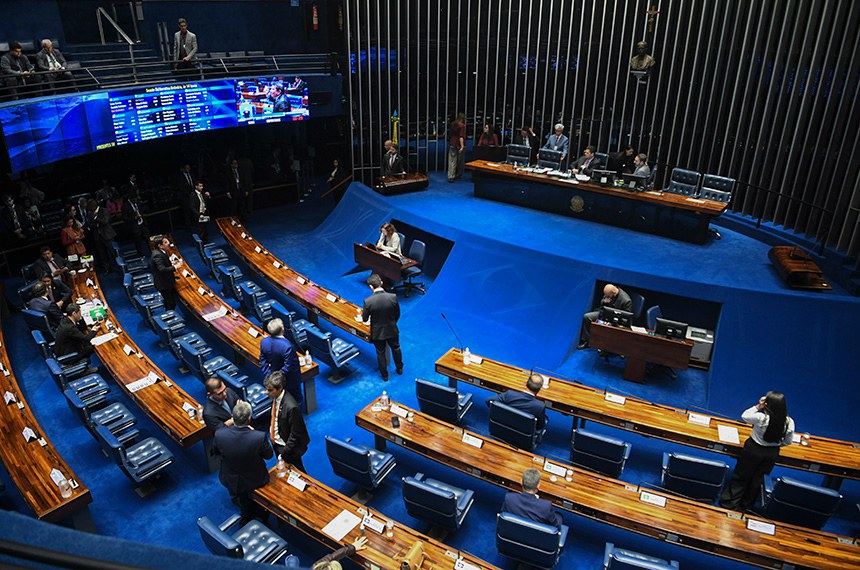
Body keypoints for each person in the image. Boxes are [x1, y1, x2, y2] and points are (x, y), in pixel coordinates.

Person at [720, 392, 795, 512]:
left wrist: (758, 406)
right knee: (758, 480)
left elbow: (745, 415)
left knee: (741, 475)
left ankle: (731, 502)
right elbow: (787, 442)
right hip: (771, 453)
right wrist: (775, 445)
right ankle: (747, 506)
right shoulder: (789, 422)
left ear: (767, 405)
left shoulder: (761, 417)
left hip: (753, 449)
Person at [213, 401, 273, 525]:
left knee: (244, 502)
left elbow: (216, 452)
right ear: (249, 419)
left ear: (232, 418)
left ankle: (246, 514)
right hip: (255, 479)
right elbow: (268, 455)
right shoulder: (258, 437)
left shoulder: (219, 434)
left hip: (231, 478)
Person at [263, 371, 310, 472]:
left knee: (298, 472)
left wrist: (284, 452)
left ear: (280, 388)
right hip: (277, 441)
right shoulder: (276, 397)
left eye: (270, 390)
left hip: (286, 447)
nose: (267, 392)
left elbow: (296, 434)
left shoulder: (291, 407)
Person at [362, 273, 403, 382]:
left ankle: (385, 376)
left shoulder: (368, 301)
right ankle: (399, 368)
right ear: (381, 283)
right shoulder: (393, 297)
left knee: (380, 353)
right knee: (396, 348)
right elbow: (397, 314)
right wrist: (392, 322)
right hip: (392, 329)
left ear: (371, 287)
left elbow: (365, 319)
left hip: (377, 333)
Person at [259, 318, 303, 406]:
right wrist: (277, 378)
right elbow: (288, 366)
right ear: (282, 329)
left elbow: (262, 361)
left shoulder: (264, 342)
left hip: (273, 373)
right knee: (296, 399)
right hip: (290, 378)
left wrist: (269, 375)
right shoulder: (287, 346)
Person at [578, 283, 633, 349]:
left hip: (616, 319)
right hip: (604, 313)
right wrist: (604, 302)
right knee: (587, 317)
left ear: (614, 293)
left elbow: (626, 317)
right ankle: (586, 341)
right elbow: (602, 304)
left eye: (608, 296)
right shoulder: (609, 292)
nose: (606, 296)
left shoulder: (626, 300)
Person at [87, 199, 117, 274]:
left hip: (107, 235)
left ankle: (118, 267)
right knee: (103, 255)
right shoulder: (90, 213)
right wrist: (97, 224)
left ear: (94, 206)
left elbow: (105, 221)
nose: (89, 209)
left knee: (113, 252)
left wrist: (96, 219)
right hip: (98, 237)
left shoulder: (104, 210)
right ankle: (107, 269)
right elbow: (90, 224)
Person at [151, 236, 181, 310]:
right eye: (166, 242)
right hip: (163, 284)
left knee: (170, 300)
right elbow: (162, 269)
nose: (168, 244)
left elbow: (162, 264)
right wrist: (175, 267)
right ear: (160, 246)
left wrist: (170, 263)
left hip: (166, 281)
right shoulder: (157, 255)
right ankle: (169, 316)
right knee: (170, 303)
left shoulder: (160, 252)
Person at [121, 190, 149, 256]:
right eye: (134, 198)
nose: (136, 199)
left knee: (148, 238)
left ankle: (152, 250)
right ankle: (141, 254)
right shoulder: (125, 206)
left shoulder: (138, 202)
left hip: (142, 224)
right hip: (134, 226)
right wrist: (134, 218)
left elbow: (141, 211)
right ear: (130, 199)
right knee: (138, 242)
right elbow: (124, 218)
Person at [226, 158, 254, 223]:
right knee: (234, 206)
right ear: (231, 165)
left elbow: (244, 181)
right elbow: (227, 183)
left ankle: (243, 218)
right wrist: (227, 192)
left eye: (236, 163)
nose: (236, 165)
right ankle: (235, 219)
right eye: (234, 164)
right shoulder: (228, 173)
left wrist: (246, 190)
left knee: (242, 205)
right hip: (233, 191)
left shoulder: (240, 171)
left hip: (241, 190)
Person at [447, 113, 466, 182]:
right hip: (458, 144)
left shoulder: (452, 124)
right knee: (461, 161)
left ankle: (450, 176)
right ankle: (459, 174)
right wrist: (462, 146)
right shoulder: (462, 126)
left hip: (452, 143)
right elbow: (461, 136)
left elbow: (450, 134)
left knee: (452, 160)